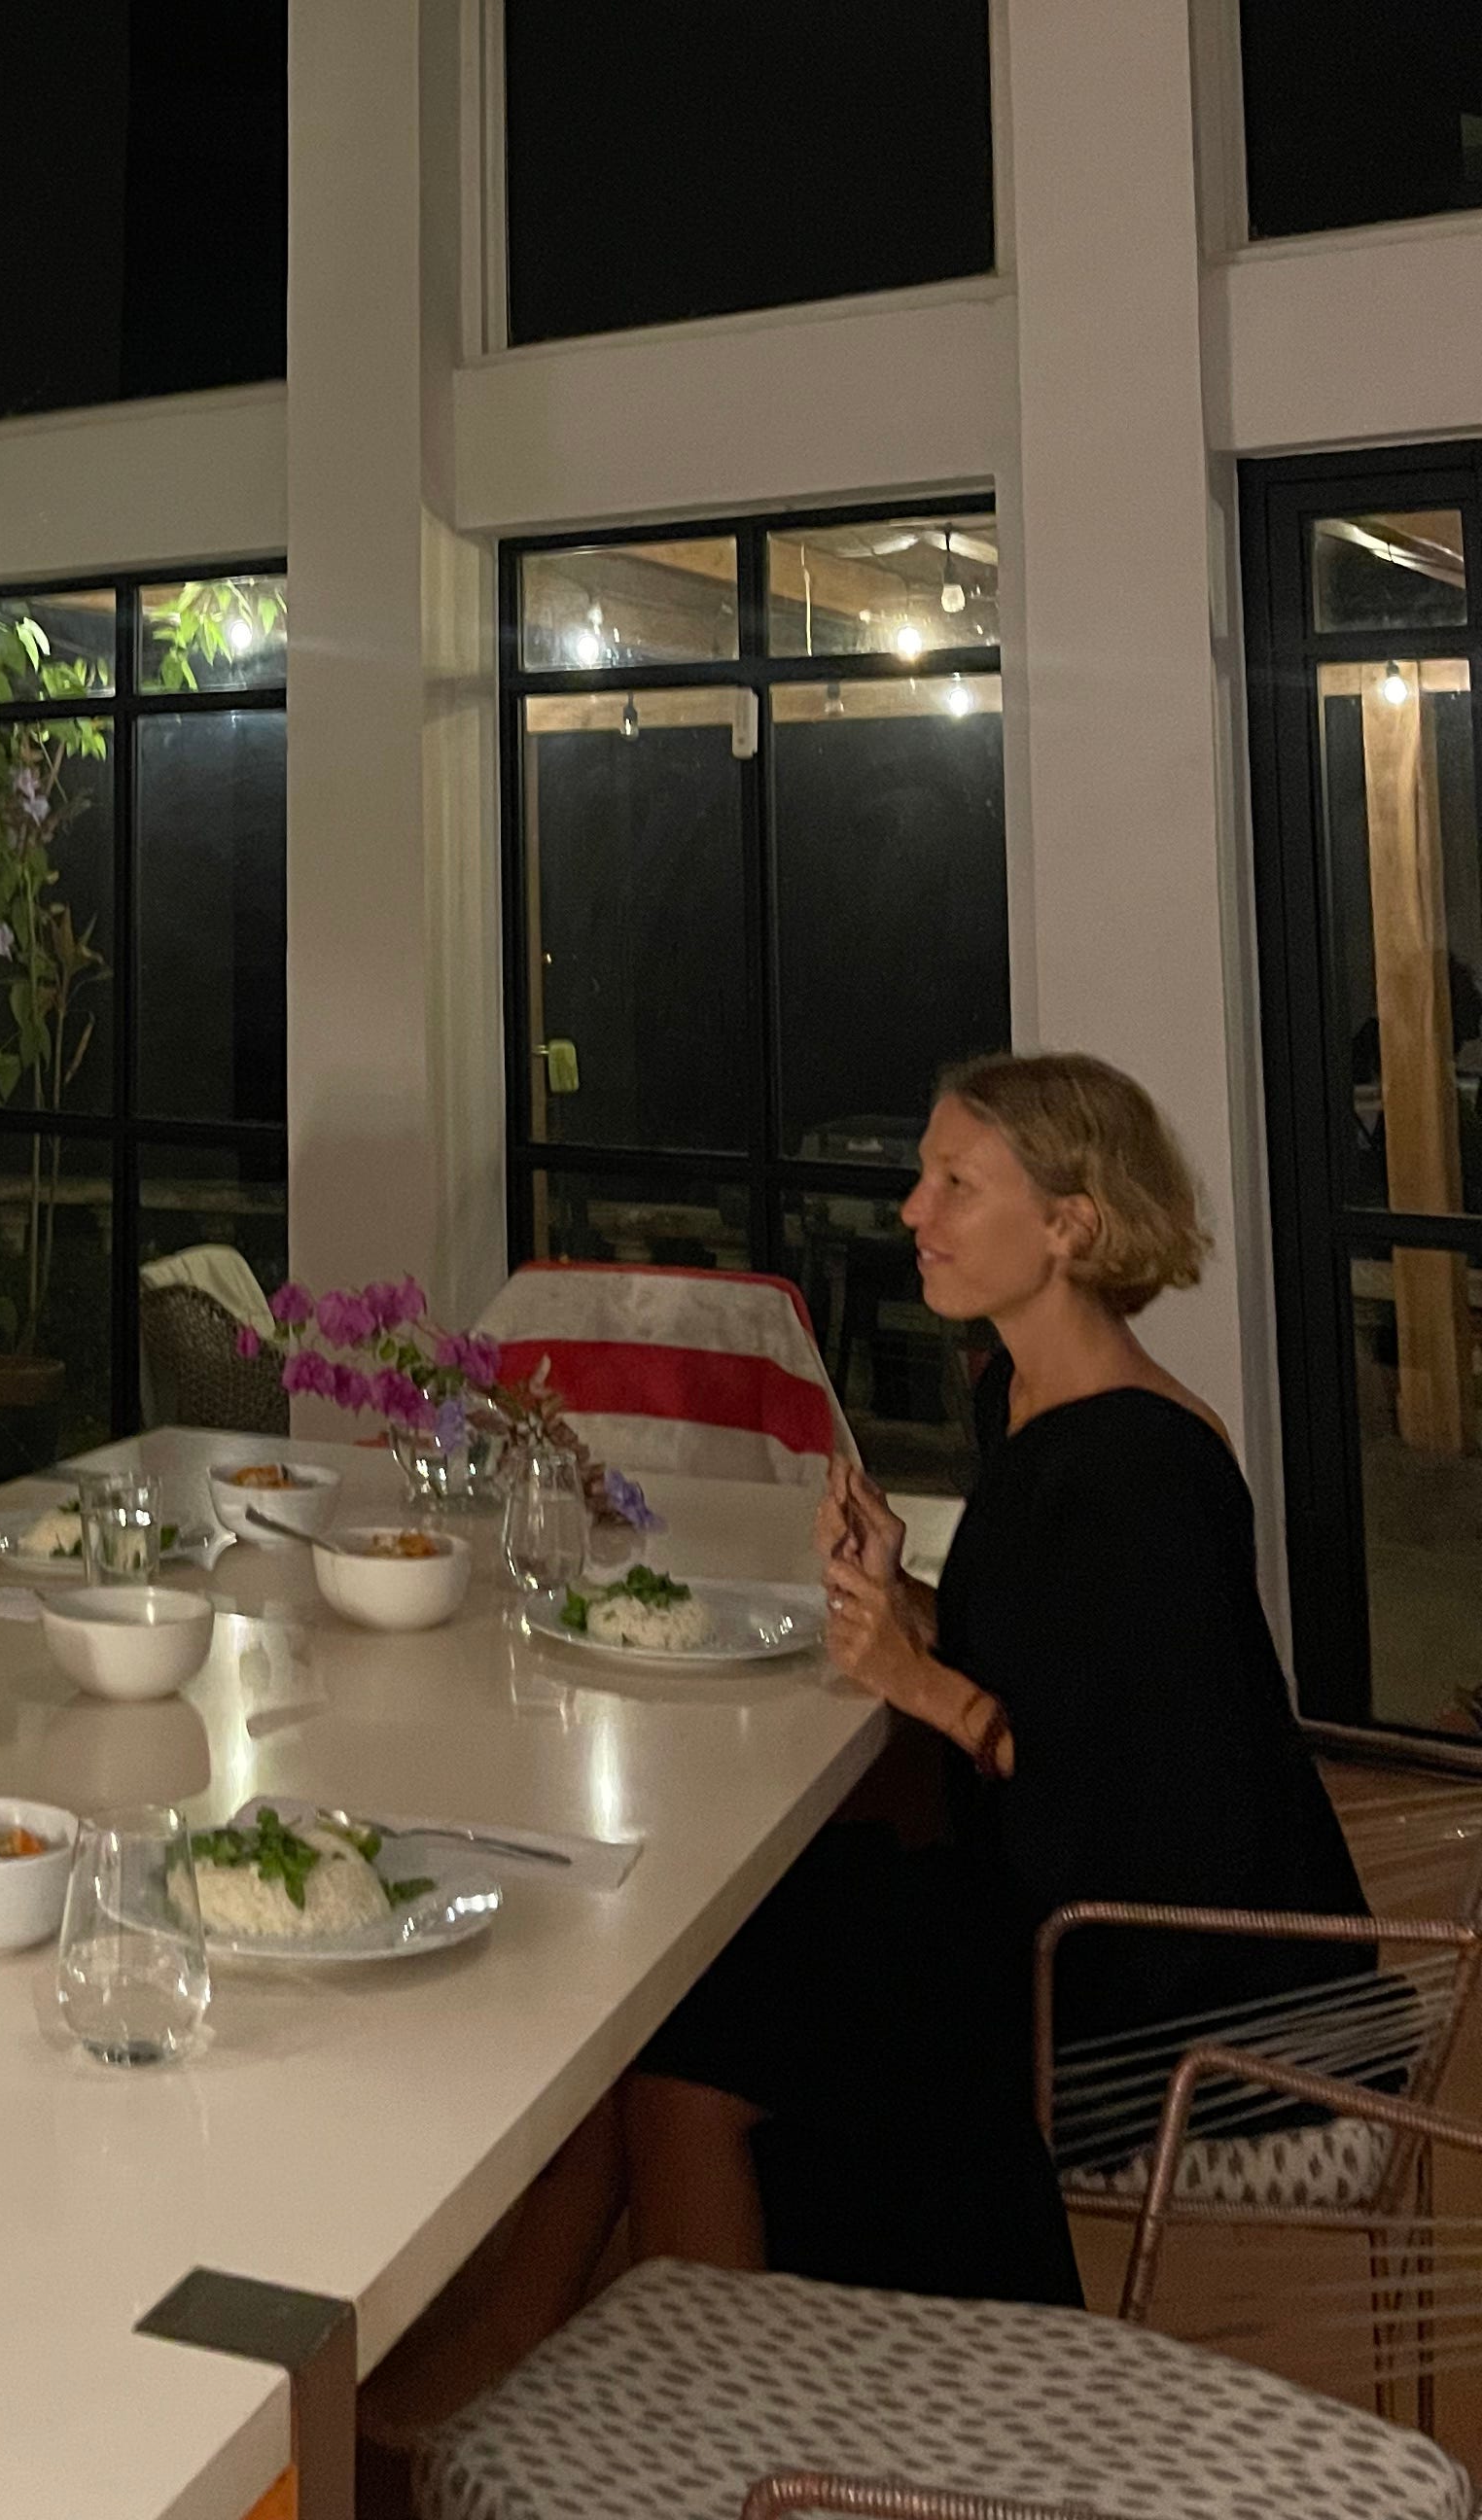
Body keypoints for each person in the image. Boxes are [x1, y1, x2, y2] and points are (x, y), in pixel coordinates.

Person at [362, 1051, 1371, 2463]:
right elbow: (1063, 1666)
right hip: (1066, 1915)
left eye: (958, 1184)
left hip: (1160, 1986)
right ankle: (538, 2353)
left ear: (1071, 1226)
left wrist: (917, 1681)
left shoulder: (1141, 1471)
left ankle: (711, 2427)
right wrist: (910, 1601)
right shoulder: (1025, 1403)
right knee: (696, 1969)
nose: (914, 1211)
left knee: (702, 2016)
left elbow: (1132, 1814)